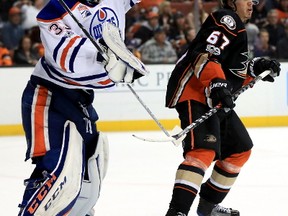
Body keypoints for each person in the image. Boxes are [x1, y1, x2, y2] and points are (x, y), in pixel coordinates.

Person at [17, 0, 144, 215]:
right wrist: (103, 56)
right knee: (56, 176)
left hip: (81, 99)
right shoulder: (57, 9)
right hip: (50, 95)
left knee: (87, 177)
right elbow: (63, 57)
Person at [164, 0, 281, 215]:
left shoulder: (239, 29)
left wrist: (257, 67)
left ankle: (208, 208)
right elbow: (205, 55)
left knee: (240, 149)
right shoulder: (227, 19)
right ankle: (177, 212)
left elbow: (233, 73)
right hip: (196, 92)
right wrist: (217, 83)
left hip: (214, 98)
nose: (252, 4)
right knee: (202, 152)